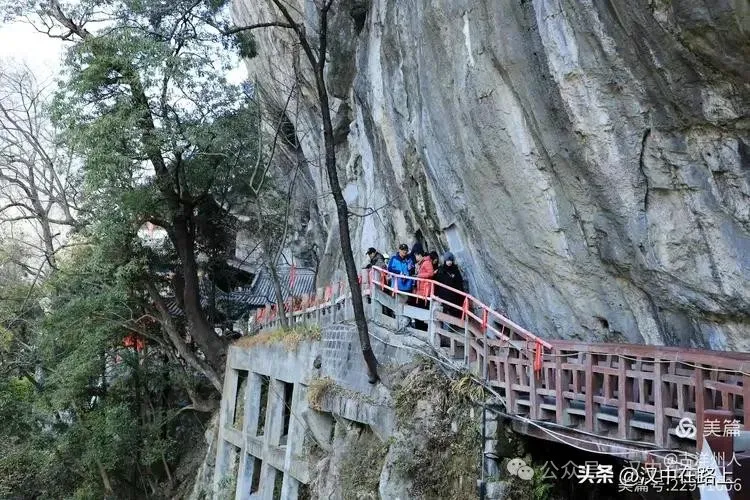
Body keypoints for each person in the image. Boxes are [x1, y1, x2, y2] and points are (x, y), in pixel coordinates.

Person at [435, 252, 465, 318]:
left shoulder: (455, 269)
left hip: (454, 295)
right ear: (445, 260)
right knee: (445, 312)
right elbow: (437, 281)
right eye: (448, 260)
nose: (449, 262)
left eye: (451, 260)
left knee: (454, 311)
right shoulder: (441, 269)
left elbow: (459, 281)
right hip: (444, 295)